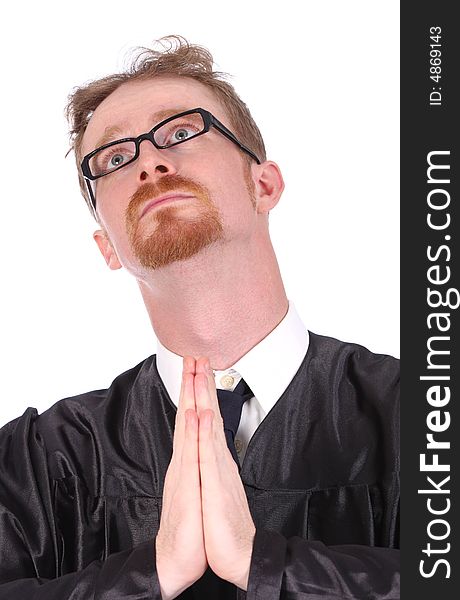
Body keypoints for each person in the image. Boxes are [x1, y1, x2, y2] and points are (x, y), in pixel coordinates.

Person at [0, 36, 399, 599]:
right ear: (107, 246)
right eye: (115, 159)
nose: (149, 162)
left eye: (181, 132)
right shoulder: (41, 465)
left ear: (264, 184)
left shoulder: (418, 414)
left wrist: (265, 565)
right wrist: (150, 575)